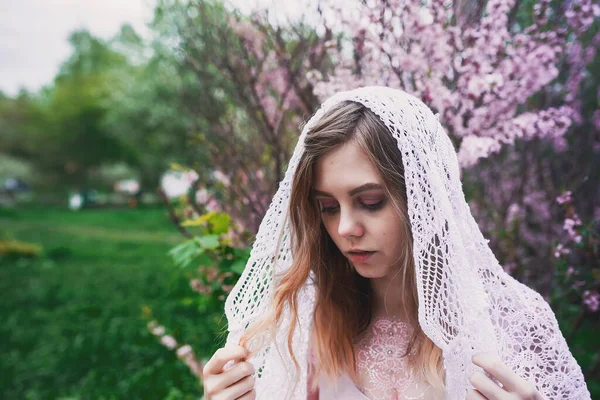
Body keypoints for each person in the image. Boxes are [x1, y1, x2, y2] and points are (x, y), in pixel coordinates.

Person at [202, 87, 590, 400]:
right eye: (327, 208)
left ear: (424, 200)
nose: (345, 228)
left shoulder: (513, 324)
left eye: (370, 202)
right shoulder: (314, 322)